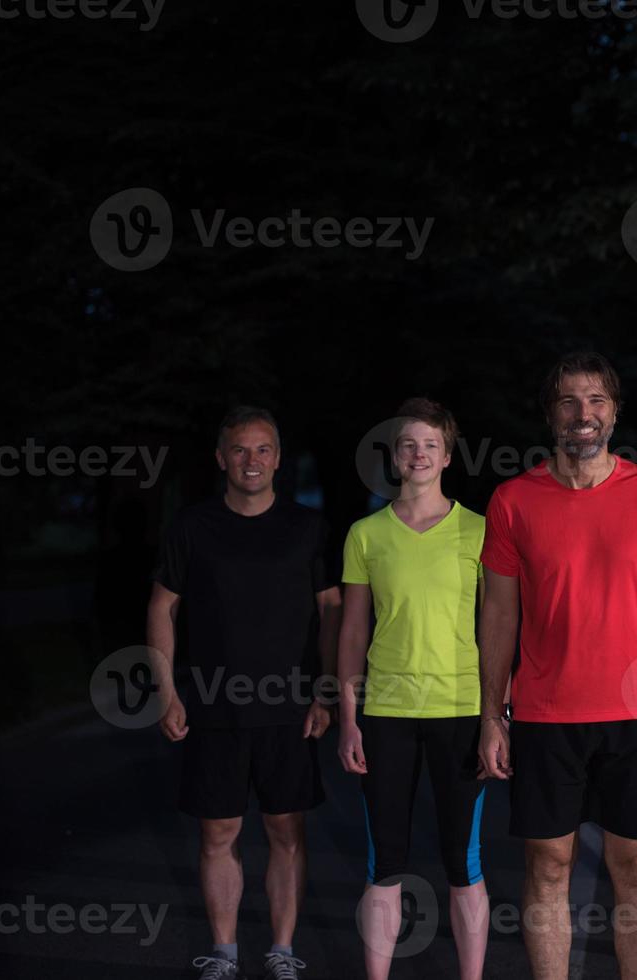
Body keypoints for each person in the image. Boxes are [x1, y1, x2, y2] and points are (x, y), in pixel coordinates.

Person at [476, 351, 637, 980]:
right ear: (550, 414)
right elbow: (497, 616)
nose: (584, 414)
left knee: (635, 866)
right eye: (570, 401)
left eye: (597, 400)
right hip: (546, 713)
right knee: (546, 865)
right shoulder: (513, 500)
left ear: (615, 412)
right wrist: (492, 716)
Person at [149, 407, 339, 980]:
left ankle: (282, 950)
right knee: (219, 831)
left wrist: (326, 691)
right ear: (220, 458)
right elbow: (162, 607)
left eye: (262, 450)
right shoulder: (192, 526)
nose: (251, 461)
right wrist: (166, 691)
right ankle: (225, 953)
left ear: (278, 459)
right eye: (239, 450)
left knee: (286, 831)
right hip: (213, 705)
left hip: (289, 706)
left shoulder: (307, 528)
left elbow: (332, 608)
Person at [336, 398, 489, 980]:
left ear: (447, 456)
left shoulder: (478, 530)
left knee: (463, 862)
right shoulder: (366, 534)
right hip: (387, 714)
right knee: (385, 864)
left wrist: (498, 715)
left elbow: (496, 628)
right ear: (395, 457)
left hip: (462, 710)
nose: (418, 454)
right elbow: (352, 630)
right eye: (408, 445)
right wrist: (349, 717)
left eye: (430, 444)